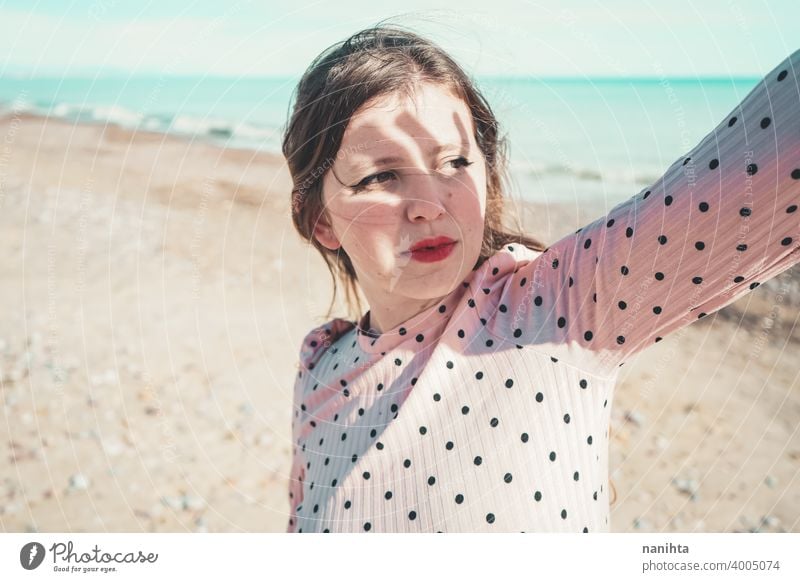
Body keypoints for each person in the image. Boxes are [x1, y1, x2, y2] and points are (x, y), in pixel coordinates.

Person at [282, 24, 800, 533]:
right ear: (322, 219)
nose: (429, 206)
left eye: (454, 162)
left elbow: (759, 169)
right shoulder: (321, 368)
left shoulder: (561, 306)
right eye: (380, 175)